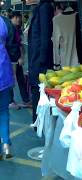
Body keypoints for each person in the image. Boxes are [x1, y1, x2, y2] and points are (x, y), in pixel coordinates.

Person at [28, 0, 54, 127]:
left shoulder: (45, 7)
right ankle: (38, 122)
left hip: (40, 61)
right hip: (37, 59)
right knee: (37, 91)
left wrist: (43, 61)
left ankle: (40, 124)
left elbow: (45, 36)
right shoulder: (41, 7)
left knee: (39, 92)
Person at [0, 13, 20, 159]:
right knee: (3, 111)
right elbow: (13, 49)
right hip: (4, 73)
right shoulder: (6, 23)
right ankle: (6, 144)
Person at [8, 11, 31, 109]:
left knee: (20, 79)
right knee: (11, 80)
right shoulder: (10, 29)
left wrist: (21, 57)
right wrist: (19, 58)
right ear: (11, 18)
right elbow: (12, 46)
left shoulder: (17, 29)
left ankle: (25, 100)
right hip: (11, 59)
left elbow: (20, 45)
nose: (18, 19)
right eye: (16, 17)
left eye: (19, 17)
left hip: (16, 58)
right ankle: (10, 101)